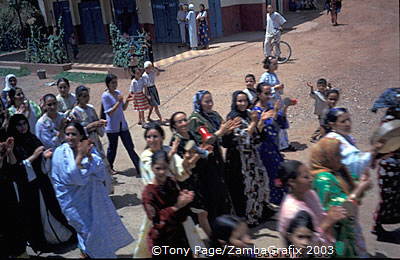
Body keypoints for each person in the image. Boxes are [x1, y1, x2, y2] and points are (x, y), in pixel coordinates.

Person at [51, 122, 134, 258]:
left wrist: (88, 157)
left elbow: (100, 171)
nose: (70, 137)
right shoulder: (60, 153)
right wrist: (80, 157)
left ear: (81, 136)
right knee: (86, 230)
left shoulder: (89, 148)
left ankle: (88, 254)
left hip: (93, 199)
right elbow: (74, 178)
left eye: (74, 134)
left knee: (97, 230)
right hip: (73, 202)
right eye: (68, 134)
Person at [7, 114, 77, 254]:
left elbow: (43, 154)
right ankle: (45, 240)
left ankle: (60, 235)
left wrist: (44, 156)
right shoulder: (13, 144)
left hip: (42, 181)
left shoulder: (32, 138)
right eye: (19, 125)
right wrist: (34, 156)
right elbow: (16, 168)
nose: (23, 127)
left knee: (51, 208)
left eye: (24, 123)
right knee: (38, 213)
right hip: (28, 187)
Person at [133, 122, 200, 258]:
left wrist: (190, 159)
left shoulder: (170, 180)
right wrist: (177, 205)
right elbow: (157, 221)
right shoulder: (146, 158)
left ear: (162, 137)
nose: (152, 140)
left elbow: (181, 172)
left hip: (177, 228)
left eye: (155, 136)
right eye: (149, 137)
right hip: (161, 227)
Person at [310, 137, 371, 257]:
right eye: (337, 154)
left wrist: (363, 182)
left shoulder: (337, 171)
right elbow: (341, 210)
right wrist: (359, 189)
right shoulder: (323, 179)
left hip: (346, 232)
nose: (341, 157)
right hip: (334, 235)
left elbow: (354, 182)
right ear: (326, 157)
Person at [188, 90, 240, 223]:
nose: (210, 104)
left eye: (211, 101)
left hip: (217, 156)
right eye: (206, 101)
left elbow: (223, 130)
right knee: (212, 191)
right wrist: (220, 132)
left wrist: (228, 130)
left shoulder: (214, 115)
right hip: (205, 161)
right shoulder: (196, 119)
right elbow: (207, 140)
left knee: (223, 188)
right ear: (199, 103)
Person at [224, 91, 270, 226]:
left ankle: (258, 212)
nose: (242, 104)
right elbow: (242, 137)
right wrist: (254, 123)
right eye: (239, 101)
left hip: (252, 157)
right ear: (234, 102)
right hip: (238, 160)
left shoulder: (250, 114)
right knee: (243, 188)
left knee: (258, 183)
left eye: (244, 100)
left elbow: (257, 136)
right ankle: (246, 218)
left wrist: (259, 123)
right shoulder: (233, 118)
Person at [278, 160, 346, 250]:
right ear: (292, 182)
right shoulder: (292, 211)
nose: (311, 179)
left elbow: (320, 215)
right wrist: (327, 222)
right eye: (306, 177)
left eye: (310, 175)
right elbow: (303, 245)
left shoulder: (309, 193)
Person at [142, 150, 195, 257]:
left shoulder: (171, 182)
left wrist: (186, 200)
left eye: (165, 168)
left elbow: (182, 214)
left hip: (179, 238)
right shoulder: (148, 193)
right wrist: (177, 206)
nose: (162, 172)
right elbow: (157, 221)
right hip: (162, 242)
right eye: (158, 168)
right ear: (152, 167)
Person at [169, 111, 212, 236]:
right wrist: (201, 153)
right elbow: (186, 165)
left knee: (199, 213)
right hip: (186, 181)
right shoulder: (176, 142)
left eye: (184, 120)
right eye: (179, 122)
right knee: (200, 212)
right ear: (174, 126)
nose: (184, 123)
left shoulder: (190, 134)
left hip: (197, 178)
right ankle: (212, 241)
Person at [252, 83, 291, 206]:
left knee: (280, 175)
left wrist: (284, 108)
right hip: (264, 150)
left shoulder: (269, 107)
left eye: (270, 93)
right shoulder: (255, 111)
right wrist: (263, 119)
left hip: (274, 147)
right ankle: (275, 204)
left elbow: (282, 124)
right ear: (259, 94)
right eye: (266, 93)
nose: (269, 96)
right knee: (271, 177)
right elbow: (255, 133)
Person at [71, 85, 113, 194]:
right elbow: (77, 131)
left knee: (101, 166)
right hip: (85, 145)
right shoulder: (75, 112)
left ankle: (105, 193)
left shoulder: (91, 108)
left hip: (95, 142)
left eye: (87, 96)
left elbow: (97, 123)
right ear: (78, 97)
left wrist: (100, 124)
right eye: (83, 96)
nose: (86, 98)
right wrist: (90, 126)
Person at [101, 74, 141, 175]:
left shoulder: (118, 93)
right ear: (108, 84)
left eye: (116, 82)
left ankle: (139, 167)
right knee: (112, 149)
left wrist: (126, 101)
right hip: (112, 127)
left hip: (122, 125)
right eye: (113, 83)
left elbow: (123, 108)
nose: (115, 85)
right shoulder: (105, 96)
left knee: (129, 146)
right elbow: (109, 112)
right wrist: (118, 102)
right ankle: (109, 167)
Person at [324, 107, 379, 179]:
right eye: (343, 121)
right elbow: (353, 162)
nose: (348, 124)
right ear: (332, 125)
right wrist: (373, 152)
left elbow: (355, 155)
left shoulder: (346, 136)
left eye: (348, 119)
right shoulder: (333, 140)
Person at [372, 113, 400, 243]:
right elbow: (381, 142)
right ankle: (378, 228)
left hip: (394, 166)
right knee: (387, 199)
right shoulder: (390, 121)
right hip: (389, 167)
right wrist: (374, 158)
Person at [259, 56, 295, 151]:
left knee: (281, 122)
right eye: (274, 64)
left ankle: (285, 144)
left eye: (276, 63)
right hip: (271, 104)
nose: (276, 66)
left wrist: (279, 88)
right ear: (268, 65)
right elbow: (261, 89)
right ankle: (280, 146)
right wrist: (275, 88)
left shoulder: (274, 75)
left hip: (277, 102)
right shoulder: (264, 77)